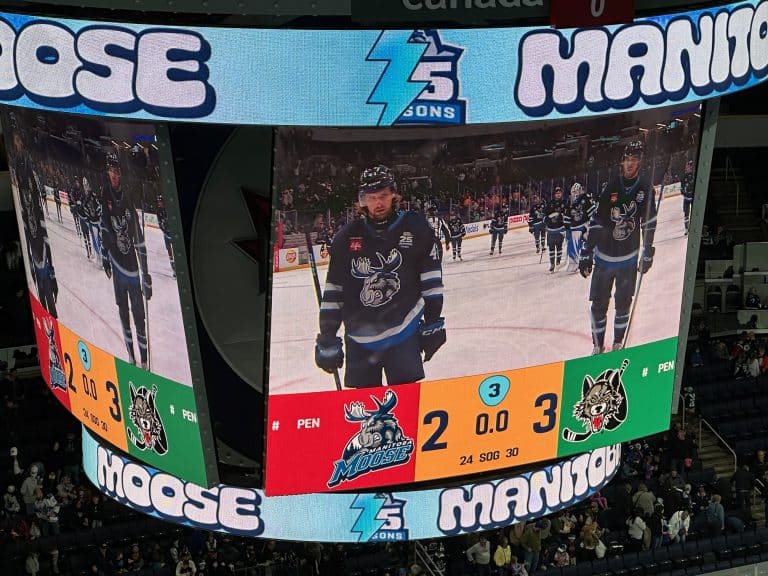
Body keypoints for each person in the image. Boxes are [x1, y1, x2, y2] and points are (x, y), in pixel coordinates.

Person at [315, 165, 446, 388]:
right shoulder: (346, 238)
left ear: (394, 195)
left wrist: (433, 320)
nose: (378, 203)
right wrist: (328, 335)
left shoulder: (416, 227)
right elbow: (334, 291)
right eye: (372, 197)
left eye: (383, 195)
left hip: (404, 332)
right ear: (362, 200)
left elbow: (431, 279)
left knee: (405, 402)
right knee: (364, 406)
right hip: (359, 340)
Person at [579, 141, 657, 354]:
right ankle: (597, 346)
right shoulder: (611, 185)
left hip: (628, 259)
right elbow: (598, 221)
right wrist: (586, 252)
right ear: (622, 162)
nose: (630, 163)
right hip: (604, 258)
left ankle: (618, 343)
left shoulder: (645, 188)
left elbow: (649, 222)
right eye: (627, 159)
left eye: (634, 159)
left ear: (640, 162)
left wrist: (648, 251)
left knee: (623, 303)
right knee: (598, 304)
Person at [100, 152, 152, 369]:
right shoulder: (105, 194)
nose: (113, 175)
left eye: (116, 171)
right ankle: (131, 356)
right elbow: (104, 226)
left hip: (132, 269)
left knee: (139, 317)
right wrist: (104, 254)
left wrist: (146, 275)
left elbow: (139, 239)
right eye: (110, 170)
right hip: (116, 266)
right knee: (123, 313)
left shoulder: (128, 197)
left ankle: (144, 360)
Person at [11, 130, 58, 318]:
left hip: (34, 212)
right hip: (27, 210)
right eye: (15, 141)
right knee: (38, 276)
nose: (17, 143)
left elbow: (33, 181)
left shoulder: (27, 160)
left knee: (43, 263)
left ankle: (50, 302)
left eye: (18, 140)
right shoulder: (18, 161)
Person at [564, 183, 595, 274]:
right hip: (575, 228)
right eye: (573, 191)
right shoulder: (570, 202)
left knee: (590, 242)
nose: (575, 193)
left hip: (585, 225)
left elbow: (592, 211)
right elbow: (567, 216)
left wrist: (592, 223)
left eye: (576, 191)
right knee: (572, 246)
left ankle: (594, 259)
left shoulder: (585, 198)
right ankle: (574, 264)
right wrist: (567, 228)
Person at [544, 187, 567, 273]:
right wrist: (547, 219)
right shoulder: (550, 203)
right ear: (554, 194)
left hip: (560, 229)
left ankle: (558, 262)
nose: (558, 194)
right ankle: (552, 264)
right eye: (557, 193)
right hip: (551, 229)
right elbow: (545, 215)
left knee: (559, 246)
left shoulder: (565, 203)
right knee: (551, 247)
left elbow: (566, 214)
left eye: (559, 193)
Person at [157, 195, 176, 278]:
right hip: (166, 234)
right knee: (170, 253)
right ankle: (174, 270)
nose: (160, 203)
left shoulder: (169, 209)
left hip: (172, 233)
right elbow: (160, 223)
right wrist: (165, 232)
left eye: (161, 201)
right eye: (159, 202)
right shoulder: (158, 211)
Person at [682, 159, 695, 234]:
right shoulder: (684, 177)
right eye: (686, 167)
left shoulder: (694, 176)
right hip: (686, 199)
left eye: (688, 167)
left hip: (693, 198)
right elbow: (682, 188)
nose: (687, 168)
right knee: (686, 214)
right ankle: (686, 229)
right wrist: (684, 192)